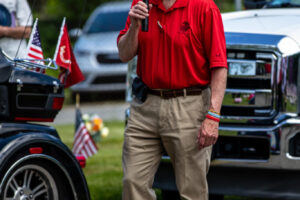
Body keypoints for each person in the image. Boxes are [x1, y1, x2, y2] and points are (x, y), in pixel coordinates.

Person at [117, 0, 227, 199]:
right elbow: (124, 55)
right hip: (145, 107)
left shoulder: (204, 7)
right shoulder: (141, 5)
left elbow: (219, 66)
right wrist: (134, 25)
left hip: (189, 106)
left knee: (191, 190)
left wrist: (213, 115)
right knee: (132, 181)